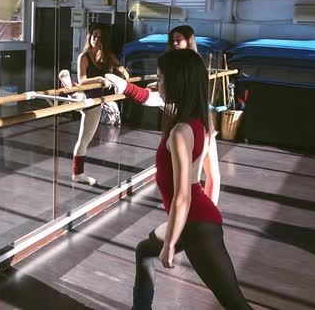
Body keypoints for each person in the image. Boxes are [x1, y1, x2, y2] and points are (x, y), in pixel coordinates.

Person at [107, 49, 252, 310]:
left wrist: (171, 243)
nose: (157, 83)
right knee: (143, 251)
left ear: (176, 83)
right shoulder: (202, 122)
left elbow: (183, 194)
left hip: (196, 226)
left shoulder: (179, 132)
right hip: (191, 220)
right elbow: (209, 181)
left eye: (161, 78)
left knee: (235, 303)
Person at [66, 24, 129, 185]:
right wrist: (100, 79)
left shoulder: (106, 56)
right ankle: (69, 86)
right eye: (94, 35)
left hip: (95, 101)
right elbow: (82, 80)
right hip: (85, 95)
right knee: (78, 93)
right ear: (89, 36)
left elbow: (121, 69)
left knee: (85, 140)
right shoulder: (84, 56)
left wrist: (123, 73)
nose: (96, 39)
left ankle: (77, 174)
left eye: (100, 37)